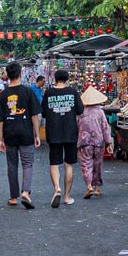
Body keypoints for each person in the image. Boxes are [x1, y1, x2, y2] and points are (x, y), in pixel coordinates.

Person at [0, 61, 41, 208]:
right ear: (20, 74)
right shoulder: (28, 92)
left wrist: (1, 139)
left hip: (9, 134)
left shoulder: (3, 95)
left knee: (12, 165)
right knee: (27, 163)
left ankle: (13, 197)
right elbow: (34, 115)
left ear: (7, 75)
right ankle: (25, 191)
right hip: (26, 133)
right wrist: (37, 135)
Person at [42, 68, 83, 207]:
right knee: (69, 164)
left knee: (54, 163)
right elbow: (80, 110)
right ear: (67, 80)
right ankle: (66, 196)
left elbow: (44, 113)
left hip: (53, 132)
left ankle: (57, 188)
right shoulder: (72, 92)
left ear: (55, 79)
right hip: (70, 132)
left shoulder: (48, 93)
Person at [77, 85, 109, 198]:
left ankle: (89, 186)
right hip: (99, 142)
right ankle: (97, 188)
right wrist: (108, 142)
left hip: (84, 142)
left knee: (86, 164)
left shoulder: (80, 112)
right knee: (98, 164)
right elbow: (105, 127)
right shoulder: (100, 112)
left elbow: (76, 127)